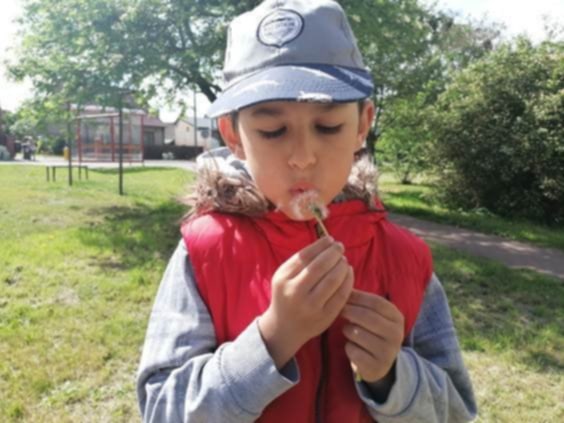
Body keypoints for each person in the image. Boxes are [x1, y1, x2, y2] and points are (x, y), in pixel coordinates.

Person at [136, 1, 477, 422]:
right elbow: (161, 410)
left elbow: (457, 412)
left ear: (362, 125)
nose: (302, 157)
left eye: (328, 127)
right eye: (272, 130)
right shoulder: (205, 252)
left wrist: (392, 375)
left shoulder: (405, 259)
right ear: (233, 135)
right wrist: (274, 338)